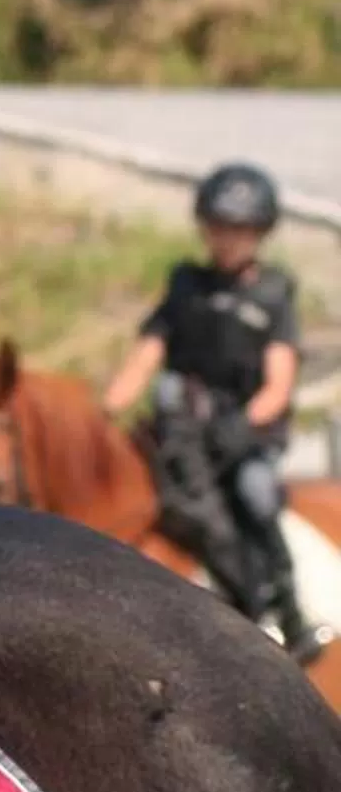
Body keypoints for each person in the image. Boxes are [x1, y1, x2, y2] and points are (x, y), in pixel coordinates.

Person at [105, 162, 322, 660]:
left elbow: (279, 381)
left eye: (240, 230)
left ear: (260, 233)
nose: (227, 239)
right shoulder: (187, 285)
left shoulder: (272, 293)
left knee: (256, 492)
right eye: (219, 227)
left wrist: (244, 425)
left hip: (243, 430)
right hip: (185, 431)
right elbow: (149, 350)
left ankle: (285, 608)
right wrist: (110, 405)